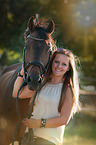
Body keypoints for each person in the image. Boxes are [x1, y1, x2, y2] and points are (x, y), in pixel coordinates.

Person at [12, 48, 80, 145]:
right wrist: (21, 73)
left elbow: (64, 119)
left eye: (64, 64)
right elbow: (17, 94)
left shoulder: (68, 90)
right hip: (29, 137)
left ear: (68, 68)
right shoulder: (41, 82)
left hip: (49, 140)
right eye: (56, 62)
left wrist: (39, 123)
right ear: (51, 62)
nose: (59, 66)